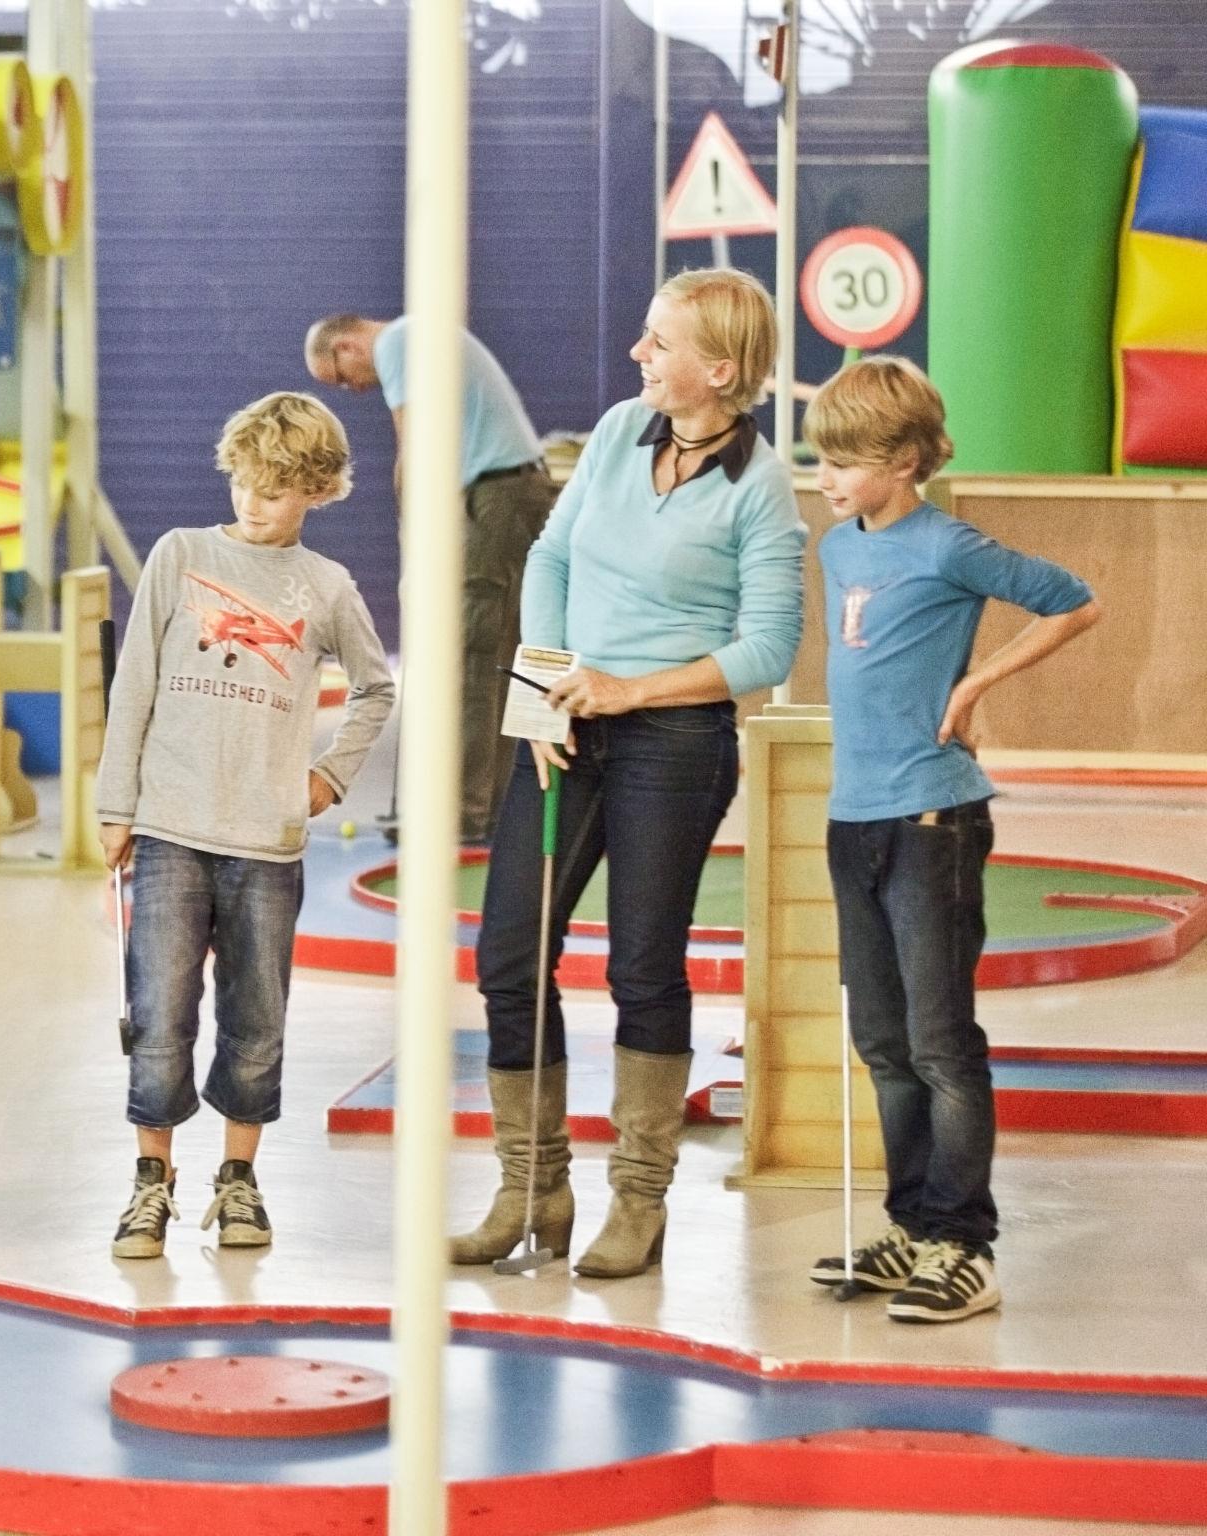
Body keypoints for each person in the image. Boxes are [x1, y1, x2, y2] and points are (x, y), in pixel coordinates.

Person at [451, 268, 805, 1278]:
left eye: (658, 342)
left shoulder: (758, 486)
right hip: (565, 723)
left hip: (674, 744)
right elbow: (551, 562)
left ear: (719, 370)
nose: (636, 355)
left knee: (641, 968)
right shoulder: (615, 434)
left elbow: (765, 650)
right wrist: (545, 697)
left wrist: (627, 691)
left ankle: (636, 1204)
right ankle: (529, 1190)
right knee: (508, 955)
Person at [803, 356, 1099, 1322]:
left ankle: (965, 1243)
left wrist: (973, 688)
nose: (828, 478)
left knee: (939, 1042)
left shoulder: (950, 545)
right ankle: (912, 1225)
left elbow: (1073, 600)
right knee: (882, 1042)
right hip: (855, 820)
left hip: (934, 818)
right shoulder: (841, 547)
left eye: (847, 461)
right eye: (823, 458)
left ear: (905, 462)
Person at [96, 392, 394, 1259]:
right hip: (169, 828)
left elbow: (378, 688)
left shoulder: (327, 587)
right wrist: (117, 805)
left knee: (256, 1019)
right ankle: (151, 1181)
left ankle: (239, 1181)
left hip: (266, 842)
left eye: (275, 488)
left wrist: (331, 777)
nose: (254, 501)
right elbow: (135, 684)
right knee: (157, 1012)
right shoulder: (179, 555)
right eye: (245, 481)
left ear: (316, 491)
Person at [304, 314, 554, 841]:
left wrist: (412, 535)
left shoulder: (397, 341)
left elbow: (414, 448)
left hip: (496, 500)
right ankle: (491, 807)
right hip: (513, 495)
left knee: (470, 656)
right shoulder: (422, 334)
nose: (352, 389)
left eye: (343, 378)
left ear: (348, 345)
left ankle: (459, 815)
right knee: (499, 655)